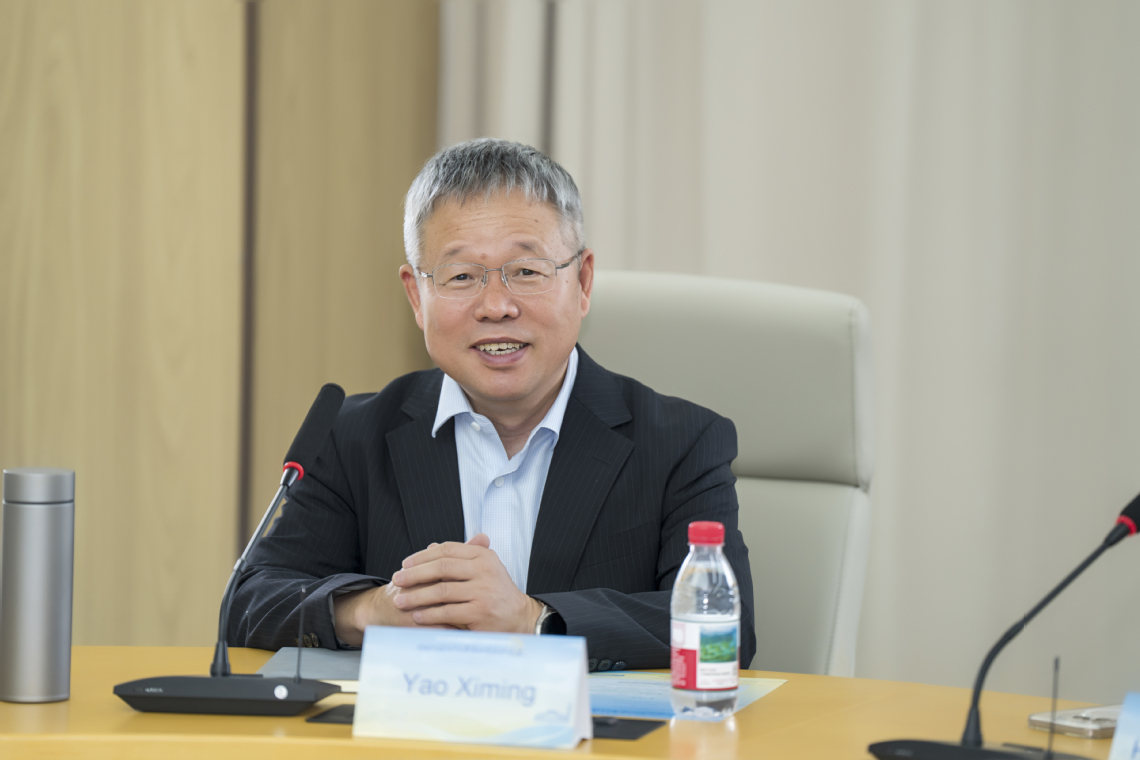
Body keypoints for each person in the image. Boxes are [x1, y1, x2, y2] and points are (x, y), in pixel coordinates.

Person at [229, 138, 755, 671]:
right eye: (461, 276)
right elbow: (249, 601)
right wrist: (371, 610)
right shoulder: (353, 436)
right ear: (416, 296)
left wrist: (533, 619)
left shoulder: (681, 442)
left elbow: (724, 631)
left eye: (526, 271)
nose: (497, 306)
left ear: (583, 282)